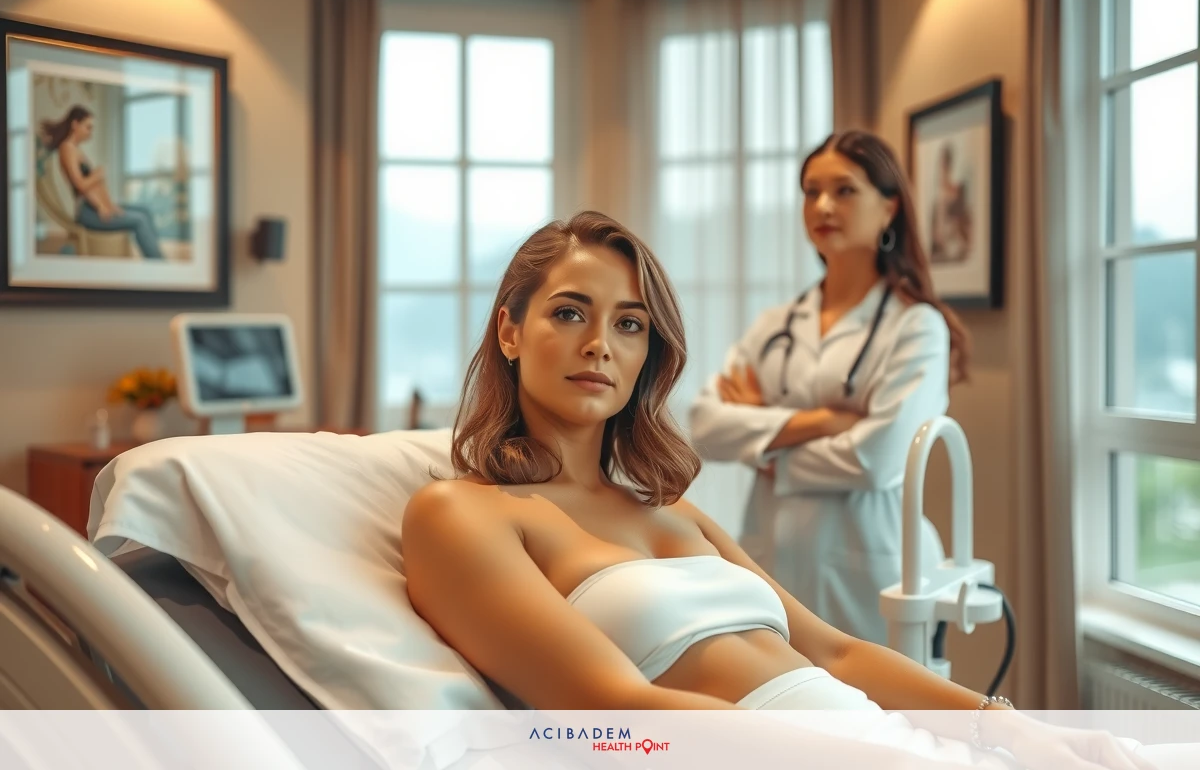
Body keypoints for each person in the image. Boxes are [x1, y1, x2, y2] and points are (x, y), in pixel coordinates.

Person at [400, 211, 1164, 769]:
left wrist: (1010, 727)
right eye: (569, 313)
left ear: (649, 354)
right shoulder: (462, 513)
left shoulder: (671, 513)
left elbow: (833, 651)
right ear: (509, 331)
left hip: (877, 740)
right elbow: (613, 711)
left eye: (631, 325)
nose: (600, 343)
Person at [688, 130, 971, 646]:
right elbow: (705, 426)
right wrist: (821, 423)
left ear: (888, 210)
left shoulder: (916, 327)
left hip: (876, 575)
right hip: (774, 564)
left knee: (884, 720)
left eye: (844, 191)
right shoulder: (776, 323)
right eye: (811, 191)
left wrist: (765, 450)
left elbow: (877, 460)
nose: (822, 205)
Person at [40, 105, 165, 259]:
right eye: (88, 127)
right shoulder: (67, 149)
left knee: (145, 211)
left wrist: (108, 205)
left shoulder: (76, 149)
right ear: (75, 125)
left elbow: (93, 187)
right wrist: (98, 178)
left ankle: (160, 261)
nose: (90, 133)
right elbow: (80, 185)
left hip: (95, 207)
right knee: (139, 221)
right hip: (88, 212)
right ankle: (159, 265)